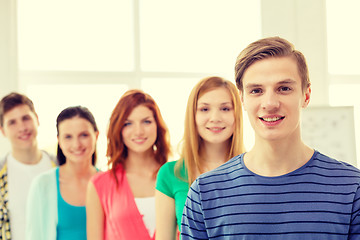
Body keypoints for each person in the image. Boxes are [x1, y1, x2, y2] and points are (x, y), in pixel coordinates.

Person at [181, 36, 360, 239]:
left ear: (306, 95)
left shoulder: (351, 187)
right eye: (256, 90)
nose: (270, 103)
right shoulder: (204, 193)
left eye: (284, 88)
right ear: (243, 99)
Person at [155, 76, 245, 240]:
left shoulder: (255, 170)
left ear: (237, 115)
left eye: (225, 109)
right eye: (204, 109)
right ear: (193, 116)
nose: (215, 118)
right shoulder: (170, 174)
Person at [86, 89, 171, 240]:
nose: (138, 131)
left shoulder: (177, 177)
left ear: (157, 125)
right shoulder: (100, 185)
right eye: (128, 123)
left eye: (146, 121)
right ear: (119, 129)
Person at [26, 106, 99, 240]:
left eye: (84, 135)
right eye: (68, 137)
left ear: (96, 135)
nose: (76, 144)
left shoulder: (109, 182)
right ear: (59, 140)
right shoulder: (42, 185)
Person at [0, 92, 57, 240]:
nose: (22, 128)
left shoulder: (60, 167)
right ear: (3, 130)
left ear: (37, 119)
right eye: (12, 122)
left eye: (26, 118)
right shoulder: (1, 174)